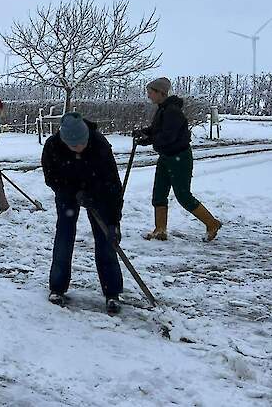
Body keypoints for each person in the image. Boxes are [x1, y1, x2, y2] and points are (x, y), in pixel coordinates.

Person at [41, 113, 124, 314]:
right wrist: (73, 191)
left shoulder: (99, 145)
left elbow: (113, 185)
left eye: (83, 143)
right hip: (67, 194)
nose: (80, 147)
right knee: (64, 236)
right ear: (64, 140)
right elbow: (51, 177)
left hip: (98, 194)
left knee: (106, 240)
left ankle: (112, 292)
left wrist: (114, 222)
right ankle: (57, 287)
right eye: (74, 145)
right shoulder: (53, 146)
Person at [134, 77, 222, 242]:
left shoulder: (172, 111)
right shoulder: (162, 109)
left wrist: (150, 139)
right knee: (159, 193)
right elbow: (156, 130)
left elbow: (168, 136)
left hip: (179, 157)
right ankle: (160, 230)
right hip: (166, 156)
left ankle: (212, 223)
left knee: (183, 196)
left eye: (150, 92)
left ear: (160, 93)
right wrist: (143, 135)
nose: (148, 96)